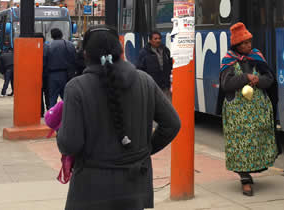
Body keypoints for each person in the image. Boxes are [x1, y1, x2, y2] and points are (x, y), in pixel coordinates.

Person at [56, 25, 181, 210]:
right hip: (135, 184)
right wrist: (144, 150)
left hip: (91, 188)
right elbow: (172, 124)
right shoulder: (145, 81)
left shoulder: (76, 88)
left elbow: (70, 144)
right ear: (121, 51)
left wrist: (60, 130)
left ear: (85, 55)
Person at [219, 22, 279, 196]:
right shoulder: (228, 60)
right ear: (236, 45)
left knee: (255, 143)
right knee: (239, 144)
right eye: (244, 43)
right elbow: (226, 84)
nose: (248, 46)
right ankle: (244, 178)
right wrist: (246, 77)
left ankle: (252, 171)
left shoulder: (257, 57)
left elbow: (269, 79)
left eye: (249, 42)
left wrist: (258, 80)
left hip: (257, 110)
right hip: (237, 112)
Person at [43, 28, 76, 109]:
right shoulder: (69, 44)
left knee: (52, 98)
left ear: (51, 36)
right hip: (66, 74)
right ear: (61, 34)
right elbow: (74, 59)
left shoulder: (48, 46)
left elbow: (44, 61)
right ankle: (67, 115)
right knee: (66, 97)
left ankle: (52, 117)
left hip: (52, 75)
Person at [136, 31, 172, 99]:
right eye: (155, 39)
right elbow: (140, 70)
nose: (158, 40)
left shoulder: (165, 50)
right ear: (150, 40)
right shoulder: (144, 53)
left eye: (159, 38)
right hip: (152, 86)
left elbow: (170, 65)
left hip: (165, 86)